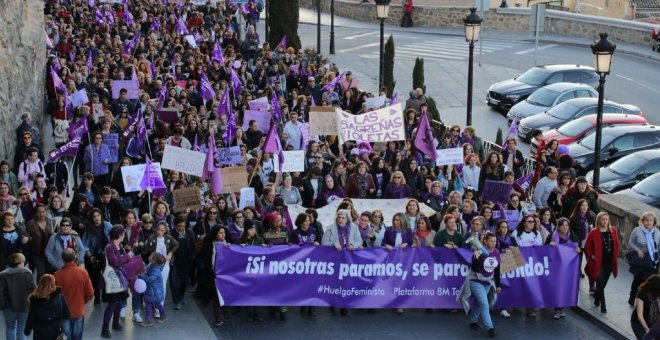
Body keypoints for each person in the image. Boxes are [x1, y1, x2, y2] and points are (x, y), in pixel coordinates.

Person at [457, 232, 501, 338]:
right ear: (485, 241)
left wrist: (498, 285)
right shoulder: (478, 252)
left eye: (495, 241)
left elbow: (497, 270)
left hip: (487, 282)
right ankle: (490, 328)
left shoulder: (496, 252)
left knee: (479, 302)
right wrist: (476, 258)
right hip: (475, 281)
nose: (493, 243)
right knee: (484, 305)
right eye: (491, 241)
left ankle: (473, 321)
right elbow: (475, 269)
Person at [321, 209, 363, 316]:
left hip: (348, 259)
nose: (340, 220)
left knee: (346, 282)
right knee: (334, 282)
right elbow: (324, 242)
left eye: (343, 218)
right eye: (339, 217)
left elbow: (359, 241)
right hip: (334, 259)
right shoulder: (331, 228)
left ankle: (344, 307)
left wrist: (354, 245)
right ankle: (333, 303)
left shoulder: (353, 227)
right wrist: (334, 243)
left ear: (347, 219)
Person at [54, 248, 94, 340]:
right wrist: (82, 302)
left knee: (66, 337)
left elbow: (54, 296)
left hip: (63, 313)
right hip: (78, 310)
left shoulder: (57, 275)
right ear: (75, 257)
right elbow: (90, 293)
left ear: (62, 258)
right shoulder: (83, 272)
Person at [585, 212, 620, 314]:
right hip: (598, 263)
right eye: (602, 219)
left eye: (606, 219)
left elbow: (616, 243)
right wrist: (591, 255)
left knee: (603, 284)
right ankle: (603, 306)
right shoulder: (594, 232)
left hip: (609, 263)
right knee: (600, 283)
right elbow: (587, 246)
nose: (605, 221)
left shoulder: (613, 230)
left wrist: (616, 254)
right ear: (598, 220)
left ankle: (596, 297)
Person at [545, 217, 580, 319]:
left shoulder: (573, 237)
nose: (565, 228)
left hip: (567, 268)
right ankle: (558, 309)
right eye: (562, 225)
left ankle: (562, 308)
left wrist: (578, 250)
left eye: (566, 225)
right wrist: (550, 245)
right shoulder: (552, 236)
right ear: (558, 226)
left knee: (564, 288)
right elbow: (544, 250)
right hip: (555, 267)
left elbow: (578, 251)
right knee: (557, 288)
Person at [101, 226, 131, 338]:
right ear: (119, 235)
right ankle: (105, 328)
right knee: (112, 303)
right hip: (113, 279)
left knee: (119, 301)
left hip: (121, 278)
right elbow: (114, 262)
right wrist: (127, 257)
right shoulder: (109, 247)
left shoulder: (120, 246)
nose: (124, 235)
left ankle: (115, 322)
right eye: (123, 233)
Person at [0, 253, 35, 340]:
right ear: (19, 263)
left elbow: (0, 292)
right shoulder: (28, 273)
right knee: (21, 329)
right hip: (25, 306)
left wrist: (3, 305)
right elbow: (34, 289)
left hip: (9, 307)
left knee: (10, 327)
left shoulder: (3, 275)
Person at [628, 212, 660, 306]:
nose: (649, 222)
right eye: (646, 220)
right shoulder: (637, 230)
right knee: (637, 281)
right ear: (642, 221)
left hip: (652, 262)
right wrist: (638, 250)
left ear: (654, 222)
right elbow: (630, 243)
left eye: (651, 220)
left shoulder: (657, 232)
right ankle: (632, 296)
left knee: (647, 283)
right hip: (640, 261)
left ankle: (641, 301)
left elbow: (658, 247)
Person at [24, 274, 69, 340]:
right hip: (56, 330)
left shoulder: (35, 300)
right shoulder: (60, 297)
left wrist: (27, 330)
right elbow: (66, 315)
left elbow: (31, 317)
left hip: (40, 331)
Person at [169, 214, 195, 310]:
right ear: (175, 225)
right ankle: (177, 301)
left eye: (182, 226)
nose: (181, 228)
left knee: (184, 282)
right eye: (179, 226)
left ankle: (181, 296)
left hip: (186, 262)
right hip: (174, 262)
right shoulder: (171, 233)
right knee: (173, 282)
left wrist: (192, 259)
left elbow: (193, 246)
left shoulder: (189, 232)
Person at [138, 252, 168, 327]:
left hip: (154, 291)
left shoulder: (156, 269)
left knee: (152, 305)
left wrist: (141, 276)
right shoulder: (151, 264)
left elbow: (150, 279)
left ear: (154, 260)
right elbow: (146, 270)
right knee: (154, 304)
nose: (149, 256)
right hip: (152, 291)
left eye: (151, 256)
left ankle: (150, 320)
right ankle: (161, 316)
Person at [631, 274, 660, 339]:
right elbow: (640, 317)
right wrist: (647, 329)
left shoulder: (657, 296)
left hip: (652, 324)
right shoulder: (642, 295)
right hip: (639, 324)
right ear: (655, 288)